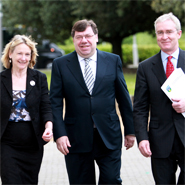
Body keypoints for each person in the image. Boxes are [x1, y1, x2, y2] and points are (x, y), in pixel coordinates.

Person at [50, 19, 135, 185]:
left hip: (108, 135)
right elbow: (55, 102)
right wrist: (59, 134)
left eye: (88, 36)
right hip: (75, 137)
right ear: (74, 39)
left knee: (111, 180)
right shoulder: (60, 64)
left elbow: (123, 99)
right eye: (79, 37)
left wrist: (130, 131)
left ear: (96, 37)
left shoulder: (113, 60)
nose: (84, 40)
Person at [133, 13, 185, 184]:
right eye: (160, 32)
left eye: (169, 32)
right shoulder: (146, 67)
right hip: (160, 141)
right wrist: (142, 137)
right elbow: (140, 107)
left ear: (179, 33)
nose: (164, 37)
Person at [0, 35, 53, 184]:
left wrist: (49, 127)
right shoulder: (1, 79)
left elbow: (46, 106)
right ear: (10, 54)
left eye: (27, 54)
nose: (23, 58)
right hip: (7, 143)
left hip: (32, 144)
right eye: (19, 53)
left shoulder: (39, 78)